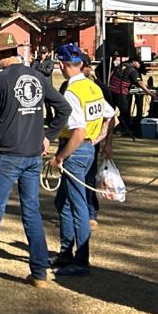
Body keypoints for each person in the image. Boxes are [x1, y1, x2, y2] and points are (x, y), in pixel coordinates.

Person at [0, 38, 72, 288]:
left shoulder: (1, 79)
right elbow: (63, 108)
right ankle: (39, 272)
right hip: (32, 155)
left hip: (7, 154)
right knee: (31, 213)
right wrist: (47, 136)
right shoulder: (37, 75)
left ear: (3, 53)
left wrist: (47, 135)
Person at [49, 43, 115, 277]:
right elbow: (110, 115)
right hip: (87, 149)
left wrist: (59, 157)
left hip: (75, 150)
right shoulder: (92, 87)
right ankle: (66, 253)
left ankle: (81, 260)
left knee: (77, 206)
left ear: (62, 65)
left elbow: (77, 130)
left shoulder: (71, 92)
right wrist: (100, 139)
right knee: (63, 203)